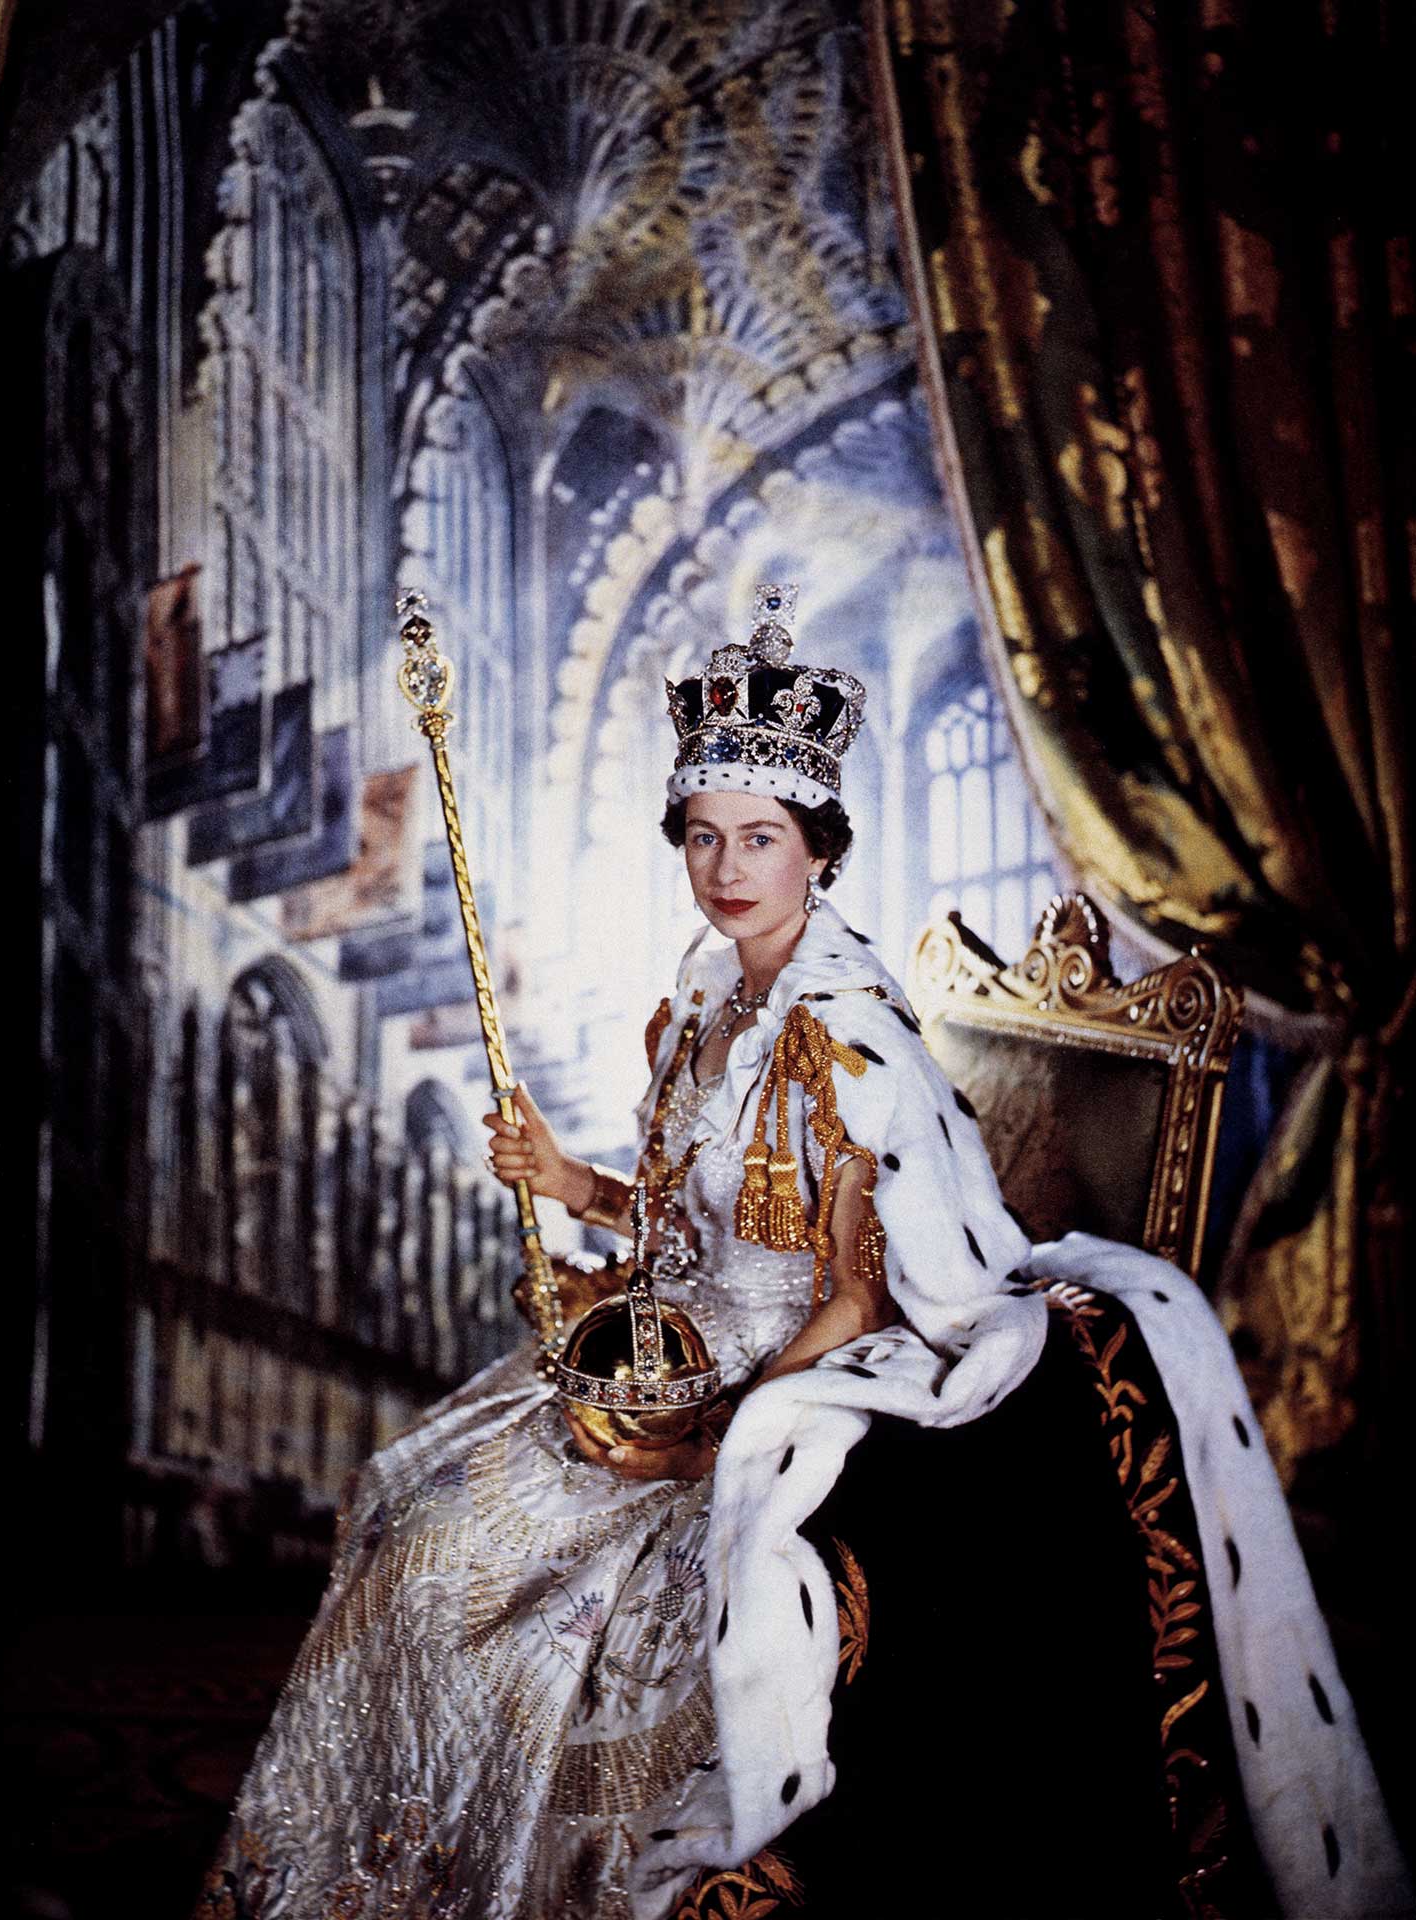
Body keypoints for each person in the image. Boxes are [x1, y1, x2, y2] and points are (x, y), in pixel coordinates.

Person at [197, 589, 1409, 1920]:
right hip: (674, 1349)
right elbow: (676, 1218)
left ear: (817, 852)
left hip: (799, 1366)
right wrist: (569, 1182)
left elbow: (855, 1289)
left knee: (532, 1590)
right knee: (418, 1507)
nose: (727, 868)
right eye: (705, 838)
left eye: (759, 840)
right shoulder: (705, 1000)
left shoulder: (848, 1038)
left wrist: (727, 1426)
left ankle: (540, 1878)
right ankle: (402, 1872)